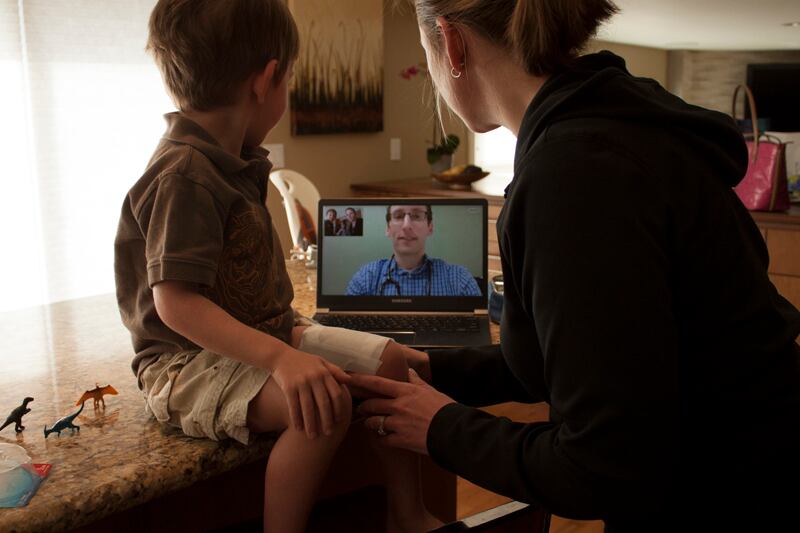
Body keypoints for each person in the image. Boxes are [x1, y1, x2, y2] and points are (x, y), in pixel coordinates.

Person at [349, 1, 800, 531]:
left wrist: (440, 428)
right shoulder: (615, 127)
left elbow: (601, 465)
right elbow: (591, 360)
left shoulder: (574, 176)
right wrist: (435, 369)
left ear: (451, 43)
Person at [114, 2, 439, 532]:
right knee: (322, 403)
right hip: (184, 365)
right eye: (289, 78)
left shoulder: (231, 159)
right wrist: (284, 359)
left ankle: (408, 515)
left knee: (387, 363)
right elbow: (175, 303)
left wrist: (289, 338)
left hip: (261, 336)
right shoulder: (185, 174)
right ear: (266, 80)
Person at [346, 204, 481, 296]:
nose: (406, 226)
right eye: (398, 216)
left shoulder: (459, 278)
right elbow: (343, 327)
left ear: (430, 227)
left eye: (416, 216)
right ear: (388, 228)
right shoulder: (365, 278)